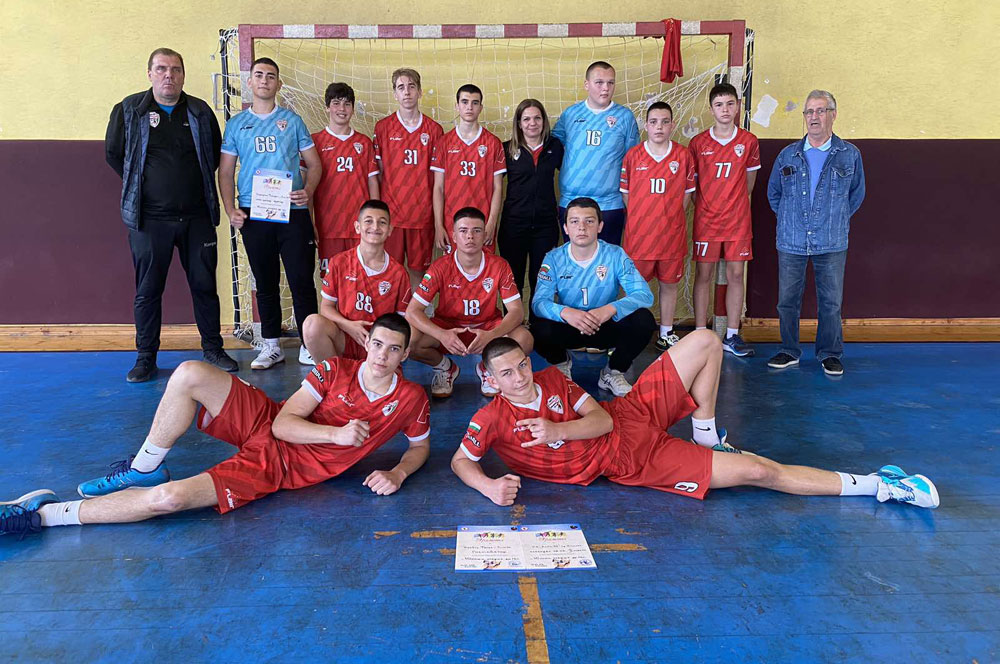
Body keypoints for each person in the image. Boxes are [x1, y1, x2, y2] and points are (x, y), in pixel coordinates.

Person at [0, 314, 432, 538]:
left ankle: (43, 516)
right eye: (377, 344)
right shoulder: (335, 369)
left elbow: (419, 446)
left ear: (405, 355)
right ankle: (145, 466)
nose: (382, 355)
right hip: (269, 422)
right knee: (190, 372)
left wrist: (397, 473)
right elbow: (283, 424)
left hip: (278, 467)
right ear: (366, 342)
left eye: (393, 349)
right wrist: (336, 435)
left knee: (169, 499)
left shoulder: (410, 397)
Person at [450, 334, 939, 510]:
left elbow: (599, 419)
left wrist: (557, 430)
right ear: (489, 379)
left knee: (705, 339)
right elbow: (460, 461)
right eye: (506, 373)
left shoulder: (551, 381)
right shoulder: (491, 417)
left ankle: (706, 435)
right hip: (634, 461)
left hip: (628, 415)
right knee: (758, 471)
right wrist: (489, 487)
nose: (518, 377)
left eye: (521, 366)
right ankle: (880, 484)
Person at [105, 47, 238, 382]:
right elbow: (114, 154)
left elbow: (213, 157)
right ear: (150, 73)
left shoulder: (200, 111)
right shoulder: (129, 110)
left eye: (175, 69)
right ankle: (146, 357)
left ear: (183, 75)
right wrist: (144, 183)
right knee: (148, 290)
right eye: (162, 69)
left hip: (197, 218)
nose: (169, 75)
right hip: (149, 220)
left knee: (204, 286)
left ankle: (213, 349)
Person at [218, 57, 321, 370]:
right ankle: (272, 345)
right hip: (255, 212)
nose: (264, 80)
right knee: (265, 282)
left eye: (271, 76)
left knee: (302, 280)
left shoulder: (292, 121)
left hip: (293, 211)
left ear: (279, 84)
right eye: (259, 75)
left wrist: (309, 189)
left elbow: (314, 164)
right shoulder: (236, 124)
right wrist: (231, 209)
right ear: (250, 82)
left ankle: (309, 345)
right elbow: (225, 172)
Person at [766, 90, 866, 376]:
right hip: (791, 240)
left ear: (833, 115)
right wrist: (792, 220)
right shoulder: (788, 154)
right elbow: (774, 194)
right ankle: (789, 350)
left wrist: (832, 219)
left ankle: (830, 354)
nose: (814, 117)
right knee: (787, 301)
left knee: (831, 303)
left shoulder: (849, 155)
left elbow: (856, 195)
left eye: (820, 111)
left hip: (831, 241)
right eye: (809, 111)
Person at [531, 197, 655, 397]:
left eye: (589, 221)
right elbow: (538, 303)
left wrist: (610, 309)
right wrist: (566, 312)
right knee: (538, 326)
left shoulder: (615, 254)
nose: (582, 227)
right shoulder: (553, 258)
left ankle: (613, 371)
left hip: (604, 324)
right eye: (574, 221)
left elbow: (644, 295)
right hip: (571, 326)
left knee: (644, 320)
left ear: (600, 226)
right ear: (565, 228)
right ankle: (561, 364)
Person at [406, 208, 532, 398]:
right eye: (463, 231)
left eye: (477, 230)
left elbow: (516, 311)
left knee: (524, 338)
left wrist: (492, 334)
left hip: (487, 327)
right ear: (454, 236)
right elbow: (412, 311)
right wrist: (442, 334)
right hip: (449, 328)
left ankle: (487, 368)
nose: (470, 236)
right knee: (409, 339)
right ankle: (445, 368)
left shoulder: (499, 265)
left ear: (485, 235)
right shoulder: (440, 266)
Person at [688, 83, 761, 357]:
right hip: (706, 222)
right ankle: (699, 333)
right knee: (703, 275)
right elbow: (692, 187)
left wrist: (733, 206)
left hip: (738, 222)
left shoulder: (748, 141)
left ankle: (731, 335)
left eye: (730, 104)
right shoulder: (698, 143)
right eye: (719, 105)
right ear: (711, 110)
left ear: (738, 106)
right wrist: (708, 208)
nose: (725, 110)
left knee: (735, 275)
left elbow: (749, 183)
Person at [620, 102, 696, 350]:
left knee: (669, 285)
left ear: (672, 125)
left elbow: (687, 195)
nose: (659, 127)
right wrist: (642, 218)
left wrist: (669, 218)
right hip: (639, 238)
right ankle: (630, 332)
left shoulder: (683, 156)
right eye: (653, 122)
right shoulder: (633, 156)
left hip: (671, 237)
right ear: (646, 125)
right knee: (633, 289)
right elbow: (626, 195)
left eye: (664, 122)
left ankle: (666, 332)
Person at [301, 200, 412, 364]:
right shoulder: (339, 262)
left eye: (382, 222)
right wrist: (348, 325)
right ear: (357, 227)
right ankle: (334, 376)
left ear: (390, 230)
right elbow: (326, 307)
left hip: (379, 346)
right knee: (312, 324)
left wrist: (379, 340)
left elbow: (402, 323)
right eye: (368, 221)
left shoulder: (399, 273)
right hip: (345, 337)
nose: (375, 227)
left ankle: (376, 370)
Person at [552, 61, 640, 246]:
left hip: (610, 204)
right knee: (576, 259)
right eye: (599, 82)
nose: (605, 88)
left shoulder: (625, 117)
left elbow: (633, 162)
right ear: (587, 84)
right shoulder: (570, 114)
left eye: (610, 82)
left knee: (607, 260)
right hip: (572, 203)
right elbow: (553, 149)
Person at [374, 68, 444, 287]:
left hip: (422, 216)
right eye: (401, 87)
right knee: (389, 273)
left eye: (412, 86)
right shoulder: (383, 128)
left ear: (420, 91)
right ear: (395, 93)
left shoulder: (434, 130)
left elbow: (439, 180)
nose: (407, 92)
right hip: (392, 217)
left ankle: (417, 311)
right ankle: (391, 311)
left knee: (418, 274)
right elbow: (379, 174)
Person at [311, 82, 379, 275]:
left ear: (353, 109)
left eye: (347, 104)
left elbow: (373, 183)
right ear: (327, 107)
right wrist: (310, 221)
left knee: (361, 280)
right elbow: (308, 187)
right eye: (336, 103)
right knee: (332, 281)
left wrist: (375, 219)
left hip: (360, 228)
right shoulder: (315, 142)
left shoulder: (364, 142)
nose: (342, 109)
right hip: (328, 228)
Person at [499, 99, 564, 300]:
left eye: (537, 118)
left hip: (545, 226)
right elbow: (490, 186)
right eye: (526, 119)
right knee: (513, 281)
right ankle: (513, 320)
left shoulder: (555, 147)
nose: (532, 123)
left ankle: (538, 320)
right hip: (513, 226)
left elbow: (572, 176)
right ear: (519, 123)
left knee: (541, 282)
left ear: (544, 121)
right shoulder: (506, 149)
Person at [431, 84, 507, 253]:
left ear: (481, 107)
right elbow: (438, 187)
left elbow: (498, 187)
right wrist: (438, 225)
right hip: (452, 222)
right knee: (453, 268)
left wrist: (492, 223)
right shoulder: (443, 142)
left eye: (475, 103)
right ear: (457, 106)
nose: (469, 107)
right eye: (465, 102)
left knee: (483, 267)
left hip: (482, 223)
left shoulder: (493, 143)